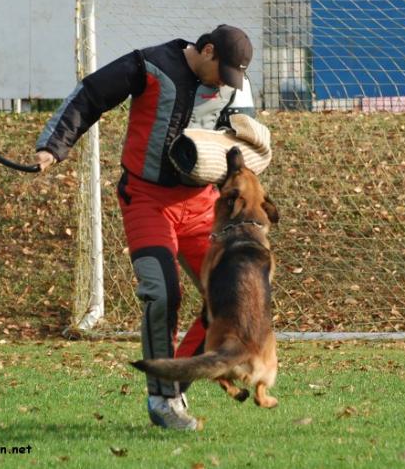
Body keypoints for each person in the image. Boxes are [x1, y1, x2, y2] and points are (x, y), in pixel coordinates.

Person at [35, 24, 258, 431]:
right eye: (222, 73)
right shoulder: (149, 65)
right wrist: (53, 147)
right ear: (206, 51)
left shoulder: (235, 84)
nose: (226, 85)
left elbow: (249, 144)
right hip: (147, 200)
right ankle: (162, 400)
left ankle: (178, 379)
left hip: (203, 206)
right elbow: (90, 95)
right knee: (161, 293)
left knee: (232, 298)